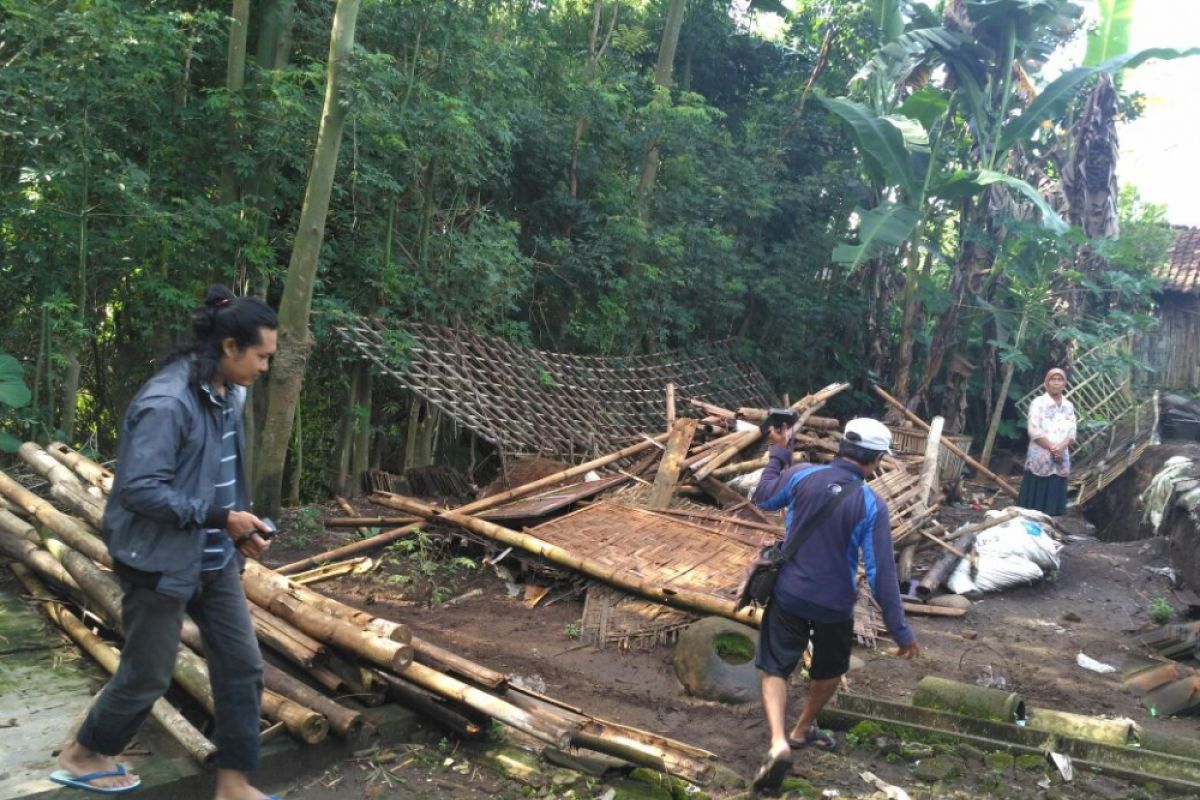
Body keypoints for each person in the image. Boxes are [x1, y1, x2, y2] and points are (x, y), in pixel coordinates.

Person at [51, 286, 279, 798]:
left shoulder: (231, 392)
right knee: (148, 675)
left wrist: (242, 528)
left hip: (215, 559)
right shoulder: (167, 402)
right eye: (262, 356)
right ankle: (82, 753)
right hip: (159, 560)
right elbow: (139, 490)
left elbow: (219, 474)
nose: (266, 366)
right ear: (229, 348)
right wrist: (223, 517)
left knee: (242, 667)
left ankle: (234, 783)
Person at [748, 417, 919, 794]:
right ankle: (801, 728)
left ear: (843, 446)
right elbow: (881, 575)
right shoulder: (871, 503)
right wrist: (901, 630)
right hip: (835, 605)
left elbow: (763, 497)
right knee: (829, 669)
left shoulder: (802, 475)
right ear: (875, 460)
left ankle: (777, 741)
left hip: (789, 593)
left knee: (775, 665)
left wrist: (779, 454)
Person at [1017, 367, 1077, 516]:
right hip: (1041, 455)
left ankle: (1051, 522)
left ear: (1065, 383)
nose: (1056, 383)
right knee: (1034, 502)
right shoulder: (1038, 403)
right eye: (1053, 379)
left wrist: (1060, 448)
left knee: (1054, 493)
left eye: (1060, 379)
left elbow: (1072, 432)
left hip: (1061, 455)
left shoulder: (1068, 406)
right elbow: (1034, 430)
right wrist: (1052, 448)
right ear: (1046, 383)